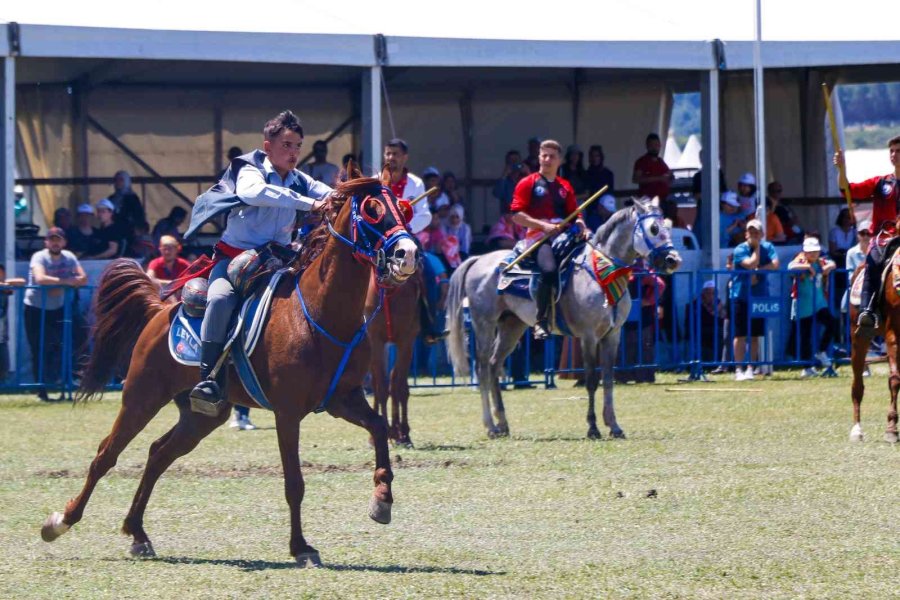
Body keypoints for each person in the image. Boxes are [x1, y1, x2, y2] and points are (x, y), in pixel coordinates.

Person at [183, 110, 333, 415]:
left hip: (279, 263)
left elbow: (330, 193)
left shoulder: (299, 179)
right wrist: (310, 203)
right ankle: (208, 379)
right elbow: (253, 194)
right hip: (233, 260)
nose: (293, 153)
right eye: (287, 145)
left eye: (297, 147)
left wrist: (360, 197)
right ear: (267, 147)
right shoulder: (248, 170)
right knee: (221, 299)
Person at [510, 139, 585, 340]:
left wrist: (581, 224)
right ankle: (541, 320)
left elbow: (575, 213)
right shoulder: (528, 183)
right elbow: (516, 215)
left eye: (552, 156)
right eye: (544, 155)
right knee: (549, 271)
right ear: (539, 158)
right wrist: (544, 226)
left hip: (565, 236)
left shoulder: (565, 186)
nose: (547, 159)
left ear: (559, 160)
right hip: (539, 239)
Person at [834, 135, 900, 336]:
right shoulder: (880, 183)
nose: (894, 155)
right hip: (884, 238)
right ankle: (867, 311)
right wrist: (841, 169)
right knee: (872, 263)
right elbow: (847, 189)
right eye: (892, 151)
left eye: (898, 151)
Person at [23, 227, 87, 401]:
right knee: (39, 349)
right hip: (36, 308)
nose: (55, 242)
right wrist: (66, 282)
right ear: (46, 242)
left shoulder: (69, 257)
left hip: (58, 308)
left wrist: (57, 286)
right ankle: (41, 390)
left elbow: (83, 278)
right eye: (51, 239)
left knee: (62, 346)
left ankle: (64, 386)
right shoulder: (39, 256)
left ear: (64, 242)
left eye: (58, 239)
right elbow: (40, 279)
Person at [730, 219, 780, 381]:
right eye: (751, 232)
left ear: (762, 234)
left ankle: (751, 367)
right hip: (741, 296)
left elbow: (775, 264)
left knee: (755, 335)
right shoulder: (739, 249)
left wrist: (759, 270)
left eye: (757, 233)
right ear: (746, 234)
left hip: (759, 297)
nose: (753, 235)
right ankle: (738, 369)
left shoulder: (769, 247)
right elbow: (750, 264)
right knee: (740, 334)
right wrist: (757, 249)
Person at [788, 236, 837, 376]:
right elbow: (790, 266)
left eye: (816, 251)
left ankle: (821, 351)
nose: (813, 254)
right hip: (803, 305)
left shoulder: (821, 262)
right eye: (810, 252)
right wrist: (807, 266)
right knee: (805, 335)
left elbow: (833, 263)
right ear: (805, 251)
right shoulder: (800, 260)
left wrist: (828, 267)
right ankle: (807, 367)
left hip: (819, 303)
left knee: (831, 323)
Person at [382, 138, 432, 234]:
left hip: (406, 239)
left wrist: (405, 228)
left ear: (405, 157)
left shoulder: (416, 183)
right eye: (388, 154)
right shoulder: (375, 181)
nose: (391, 157)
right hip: (379, 241)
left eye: (395, 154)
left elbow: (425, 215)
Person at [632, 133, 673, 219]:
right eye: (652, 145)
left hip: (663, 202)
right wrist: (658, 178)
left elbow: (668, 176)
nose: (655, 148)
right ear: (647, 146)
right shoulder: (641, 162)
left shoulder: (661, 162)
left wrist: (670, 177)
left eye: (657, 145)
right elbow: (636, 179)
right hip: (648, 203)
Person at [685, 280, 726, 364]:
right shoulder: (695, 305)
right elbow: (693, 323)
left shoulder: (719, 304)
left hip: (716, 332)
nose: (711, 295)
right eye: (708, 292)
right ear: (703, 293)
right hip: (700, 332)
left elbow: (723, 319)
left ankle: (721, 363)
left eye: (713, 293)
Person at [0, 265, 25, 381]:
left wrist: (4, 283)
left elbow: (21, 282)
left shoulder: (4, 288)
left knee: (3, 368)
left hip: (1, 337)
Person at [109, 170, 146, 241]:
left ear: (126, 181)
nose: (118, 182)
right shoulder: (111, 198)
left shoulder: (132, 198)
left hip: (128, 232)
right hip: (113, 231)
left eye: (121, 180)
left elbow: (138, 215)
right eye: (116, 180)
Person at [441, 204, 472, 269]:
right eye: (452, 217)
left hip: (461, 253)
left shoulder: (465, 228)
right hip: (447, 254)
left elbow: (465, 246)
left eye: (457, 217)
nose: (454, 220)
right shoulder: (445, 227)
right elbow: (444, 242)